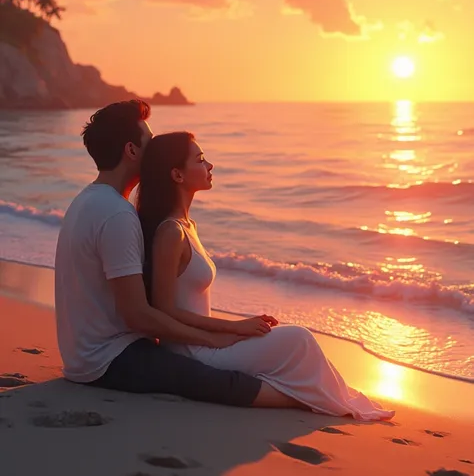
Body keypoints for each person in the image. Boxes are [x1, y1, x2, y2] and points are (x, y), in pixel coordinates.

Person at [54, 100, 300, 408]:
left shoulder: (86, 200)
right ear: (131, 151)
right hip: (109, 360)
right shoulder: (116, 213)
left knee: (216, 365)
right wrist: (213, 338)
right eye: (150, 143)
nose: (156, 150)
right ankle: (303, 404)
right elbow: (138, 316)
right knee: (217, 379)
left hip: (84, 355)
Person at [136, 131, 396, 421]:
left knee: (294, 340)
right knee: (298, 338)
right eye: (199, 160)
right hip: (194, 353)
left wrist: (232, 329)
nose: (210, 166)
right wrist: (231, 330)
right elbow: (164, 310)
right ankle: (334, 400)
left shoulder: (187, 226)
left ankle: (337, 397)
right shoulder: (170, 232)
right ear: (177, 175)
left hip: (207, 342)